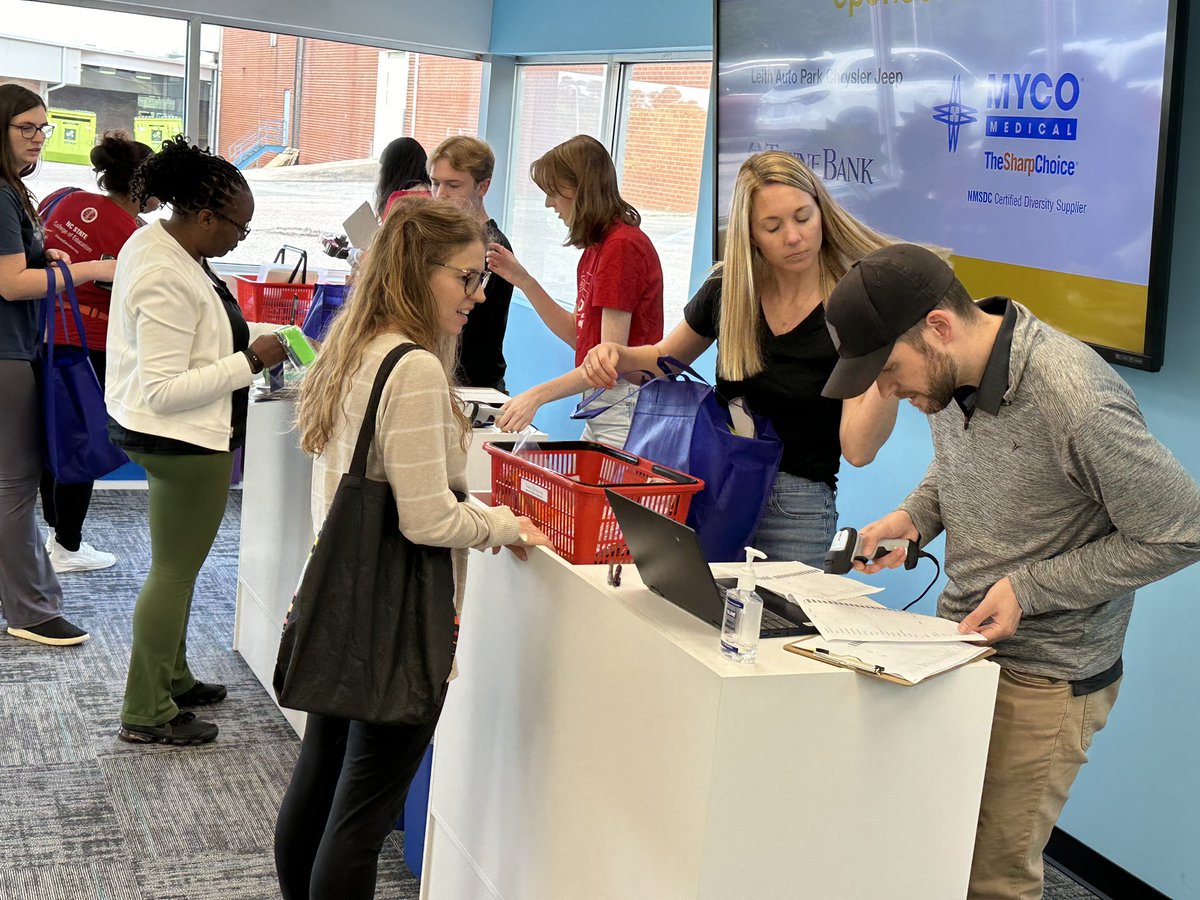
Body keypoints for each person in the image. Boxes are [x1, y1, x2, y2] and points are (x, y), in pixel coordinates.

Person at [820, 243, 1200, 900]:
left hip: (1047, 677)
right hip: (961, 649)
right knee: (934, 848)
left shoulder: (1074, 398)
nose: (885, 389)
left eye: (888, 370)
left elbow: (1181, 530)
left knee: (989, 881)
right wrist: (913, 518)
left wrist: (1030, 588)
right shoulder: (950, 379)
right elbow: (967, 467)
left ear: (938, 326)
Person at [274, 198, 550, 900]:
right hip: (396, 619)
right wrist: (505, 526)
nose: (479, 295)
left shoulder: (355, 345)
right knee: (362, 814)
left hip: (340, 596)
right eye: (467, 278)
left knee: (322, 775)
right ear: (420, 273)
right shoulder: (417, 370)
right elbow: (427, 519)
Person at [582, 151, 900, 566]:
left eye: (803, 218)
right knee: (699, 624)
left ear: (822, 211)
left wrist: (887, 358)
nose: (793, 237)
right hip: (719, 487)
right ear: (750, 236)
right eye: (773, 226)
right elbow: (664, 360)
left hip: (798, 510)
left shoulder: (853, 303)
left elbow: (858, 450)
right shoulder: (728, 290)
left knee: (785, 630)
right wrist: (615, 355)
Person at [106, 135, 288, 746]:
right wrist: (250, 362)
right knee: (174, 575)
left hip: (173, 434)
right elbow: (164, 389)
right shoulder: (164, 271)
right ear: (205, 216)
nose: (242, 237)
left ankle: (174, 677)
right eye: (240, 226)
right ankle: (147, 710)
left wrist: (254, 339)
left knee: (176, 571)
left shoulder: (166, 245)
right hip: (179, 440)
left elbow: (198, 337)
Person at [0, 83, 110, 646]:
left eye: (43, 127)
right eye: (27, 128)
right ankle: (31, 611)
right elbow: (12, 283)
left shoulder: (13, 191)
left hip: (14, 349)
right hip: (7, 353)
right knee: (15, 487)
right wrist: (88, 270)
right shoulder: (0, 192)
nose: (39, 138)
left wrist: (48, 255)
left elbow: (19, 263)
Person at [488, 134, 663, 446]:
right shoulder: (597, 249)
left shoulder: (622, 247)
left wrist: (536, 396)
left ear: (578, 189)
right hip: (603, 401)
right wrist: (524, 280)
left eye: (553, 192)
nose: (548, 202)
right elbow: (578, 336)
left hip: (624, 403)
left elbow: (608, 363)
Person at [37, 131, 157, 574]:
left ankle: (53, 534)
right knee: (82, 441)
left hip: (37, 331)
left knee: (49, 438)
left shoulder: (63, 199)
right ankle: (67, 546)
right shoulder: (136, 237)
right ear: (144, 190)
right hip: (89, 345)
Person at [428, 135, 515, 391]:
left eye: (453, 186)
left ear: (482, 187)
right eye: (435, 184)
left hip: (473, 387)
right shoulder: (443, 239)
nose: (440, 195)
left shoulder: (493, 248)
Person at [376, 136, 430, 220]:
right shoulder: (432, 195)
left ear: (393, 170)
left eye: (384, 168)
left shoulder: (399, 202)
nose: (380, 172)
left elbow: (391, 233)